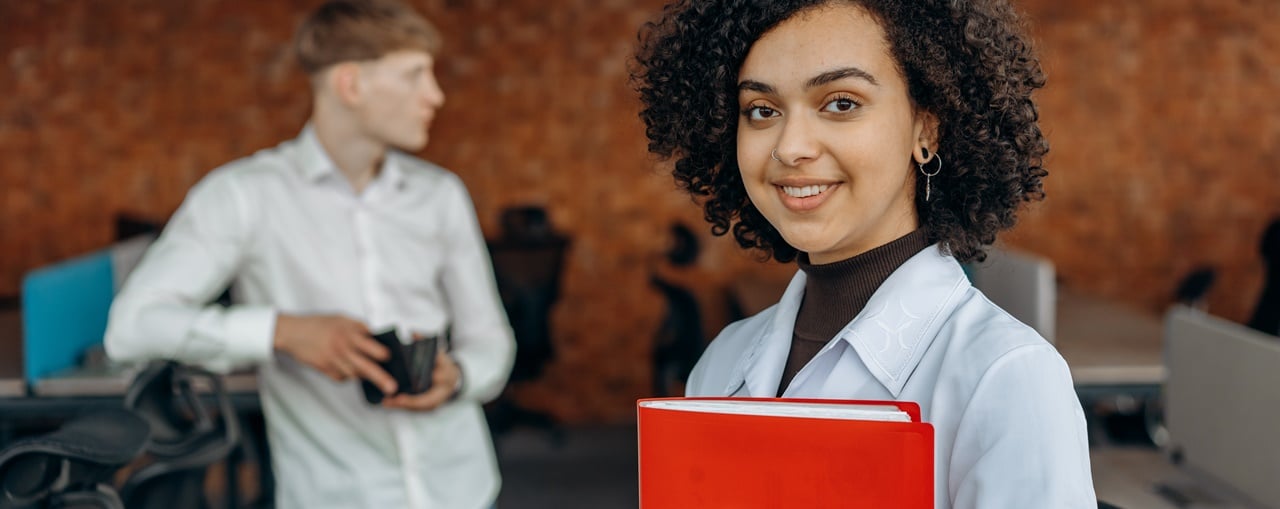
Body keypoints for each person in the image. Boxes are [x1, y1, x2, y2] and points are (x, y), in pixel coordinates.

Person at [632, 1, 1095, 507]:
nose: (791, 147)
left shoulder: (1006, 377)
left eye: (841, 103)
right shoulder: (722, 361)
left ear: (926, 128)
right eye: (762, 110)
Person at [105, 1, 515, 507]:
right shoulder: (242, 196)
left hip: (462, 488)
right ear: (351, 84)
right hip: (335, 495)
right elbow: (132, 326)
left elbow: (491, 340)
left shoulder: (441, 195)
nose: (435, 95)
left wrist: (460, 377)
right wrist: (281, 331)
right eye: (415, 76)